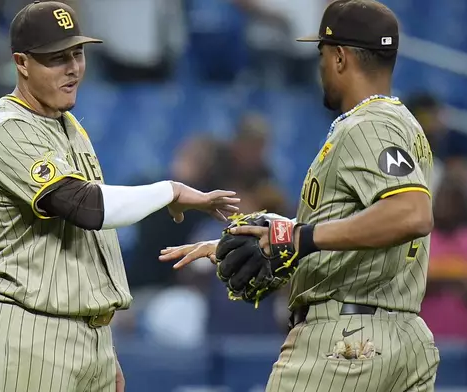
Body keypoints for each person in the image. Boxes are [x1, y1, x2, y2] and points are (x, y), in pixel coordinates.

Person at [160, 1, 439, 391]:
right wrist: (276, 234)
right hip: (403, 339)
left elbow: (411, 214)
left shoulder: (369, 125)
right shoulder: (403, 124)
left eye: (322, 53)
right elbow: (367, 220)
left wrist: (301, 238)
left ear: (340, 57)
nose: (321, 65)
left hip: (346, 341)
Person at [0, 2, 240, 392]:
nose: (72, 67)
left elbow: (88, 245)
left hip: (84, 334)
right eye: (56, 58)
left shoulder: (69, 126)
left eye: (77, 53)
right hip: (28, 332)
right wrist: (169, 190)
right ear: (22, 63)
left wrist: (101, 349)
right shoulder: (5, 127)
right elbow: (84, 207)